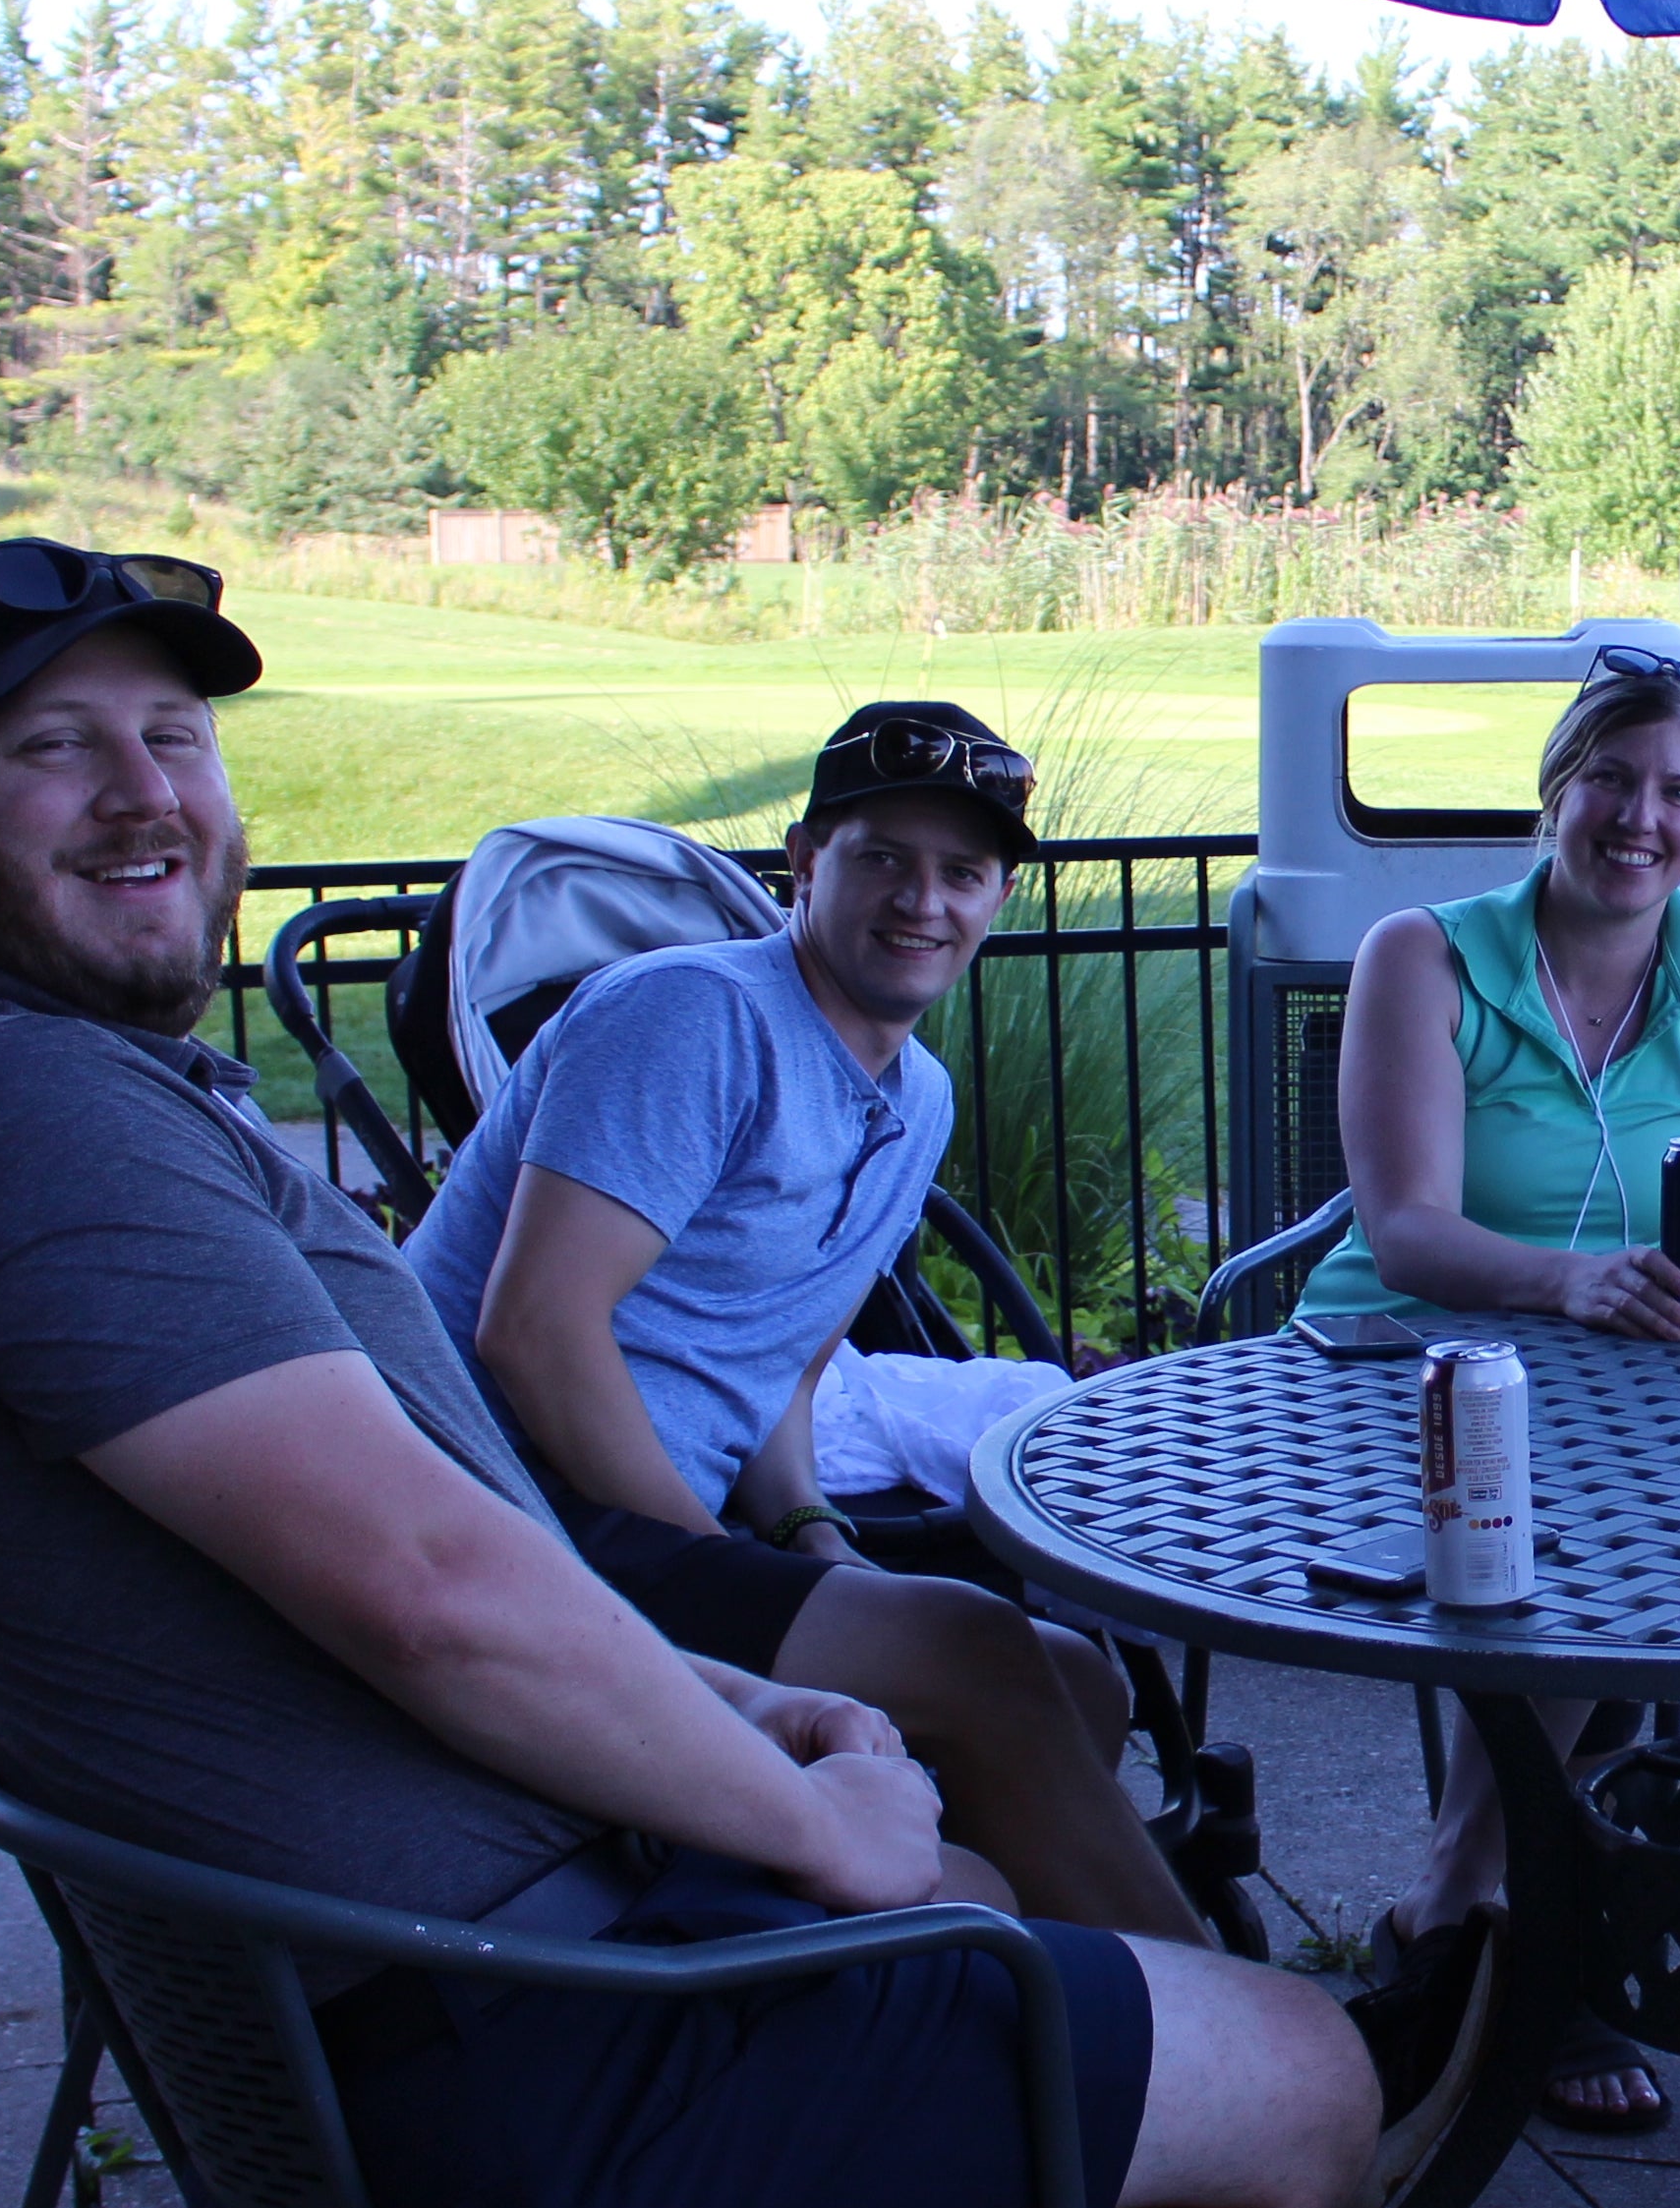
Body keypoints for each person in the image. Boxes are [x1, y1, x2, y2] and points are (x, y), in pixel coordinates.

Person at [0, 541, 1368, 2208]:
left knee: (930, 1882)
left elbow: (432, 1563)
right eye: (50, 747)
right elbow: (437, 1581)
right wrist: (800, 1795)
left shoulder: (45, 1095)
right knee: (1299, 2082)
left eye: (170, 734)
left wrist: (752, 1720)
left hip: (429, 2001)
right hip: (497, 2083)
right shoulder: (18, 1126)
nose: (143, 792)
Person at [400, 701, 1199, 1945]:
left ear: (997, 901)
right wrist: (718, 1560)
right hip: (510, 1519)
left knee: (1078, 1678)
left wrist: (807, 1533)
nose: (921, 901)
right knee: (983, 1648)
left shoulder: (915, 1097)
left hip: (663, 1525)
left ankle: (984, 1993)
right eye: (883, 857)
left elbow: (784, 1363)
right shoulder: (692, 1014)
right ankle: (1217, 2022)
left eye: (963, 873)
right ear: (806, 861)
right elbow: (536, 1332)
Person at [1298, 648, 1680, 2139]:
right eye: (1609, 779)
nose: (1638, 818)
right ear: (1556, 792)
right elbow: (1404, 1228)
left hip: (1647, 1381)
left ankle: (1470, 1901)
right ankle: (1508, 1910)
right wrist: (1571, 1281)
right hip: (1401, 1364)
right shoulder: (1429, 956)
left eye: (1676, 792)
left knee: (1656, 1527)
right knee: (1583, 1545)